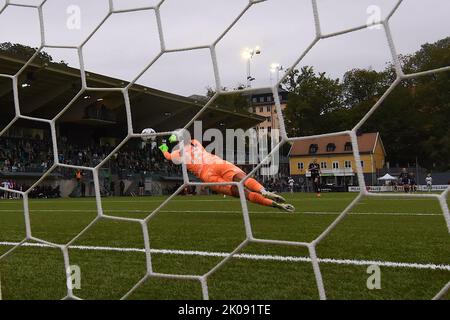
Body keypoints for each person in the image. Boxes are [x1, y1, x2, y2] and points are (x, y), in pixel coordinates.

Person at [158, 133, 294, 212]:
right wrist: (176, 137)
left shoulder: (177, 153)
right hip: (217, 162)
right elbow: (188, 138)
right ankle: (263, 190)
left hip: (207, 174)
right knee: (242, 178)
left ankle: (274, 204)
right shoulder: (196, 143)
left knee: (242, 193)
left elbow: (168, 157)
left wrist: (164, 148)